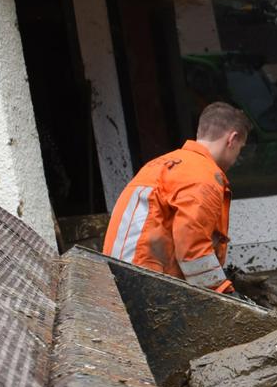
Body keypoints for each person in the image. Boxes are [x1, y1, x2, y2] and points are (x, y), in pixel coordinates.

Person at [103, 101, 250, 292]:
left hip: (123, 277)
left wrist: (229, 278)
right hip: (145, 284)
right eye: (240, 148)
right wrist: (226, 293)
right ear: (232, 139)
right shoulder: (203, 176)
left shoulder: (161, 164)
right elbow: (193, 250)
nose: (237, 156)